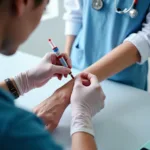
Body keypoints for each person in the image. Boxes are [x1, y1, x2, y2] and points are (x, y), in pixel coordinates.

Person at [0, 0, 105, 150]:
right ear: (22, 3)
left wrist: (23, 81)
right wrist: (82, 120)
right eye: (44, 8)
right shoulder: (16, 129)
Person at [33, 0, 150, 131]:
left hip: (125, 80)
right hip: (80, 64)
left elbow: (146, 39)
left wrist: (64, 94)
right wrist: (67, 54)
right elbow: (75, 12)